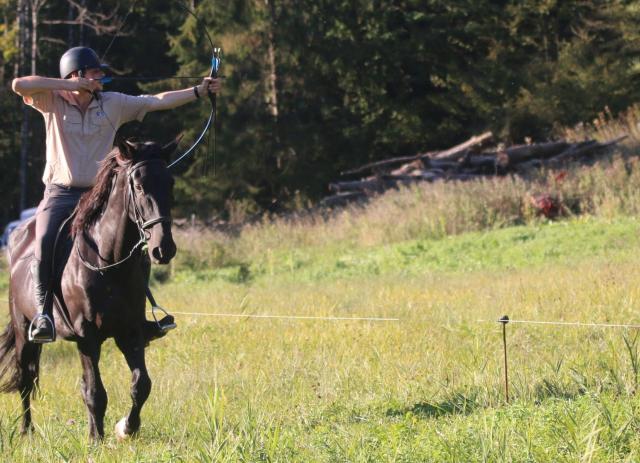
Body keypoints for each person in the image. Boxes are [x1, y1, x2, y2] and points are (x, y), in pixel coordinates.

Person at [11, 46, 221, 343]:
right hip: (60, 194)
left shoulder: (112, 103)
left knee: (136, 244)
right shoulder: (51, 100)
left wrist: (199, 91)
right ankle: (44, 314)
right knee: (44, 243)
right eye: (96, 72)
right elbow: (18, 85)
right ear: (77, 74)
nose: (102, 77)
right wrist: (68, 86)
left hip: (100, 193)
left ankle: (140, 314)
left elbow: (156, 100)